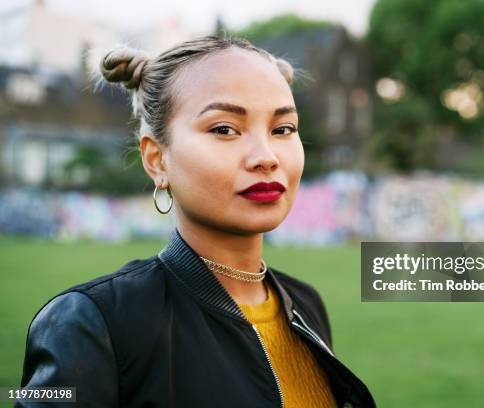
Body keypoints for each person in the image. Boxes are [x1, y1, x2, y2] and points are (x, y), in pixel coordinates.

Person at [17, 35, 376, 407]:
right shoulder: (93, 324)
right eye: (224, 129)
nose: (266, 157)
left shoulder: (305, 304)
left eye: (282, 129)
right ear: (157, 159)